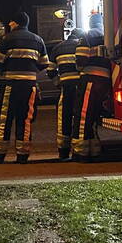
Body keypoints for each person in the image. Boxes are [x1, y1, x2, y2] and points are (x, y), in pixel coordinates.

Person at [0, 11, 49, 164]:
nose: (9, 25)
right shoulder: (38, 40)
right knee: (25, 119)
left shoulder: (7, 39)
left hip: (10, 84)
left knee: (5, 118)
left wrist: (5, 69)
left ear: (15, 23)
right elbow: (43, 64)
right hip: (29, 86)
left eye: (10, 22)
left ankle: (0, 155)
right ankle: (22, 155)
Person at [72, 13, 112, 161]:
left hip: (90, 79)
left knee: (83, 115)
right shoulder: (109, 35)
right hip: (105, 81)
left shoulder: (87, 35)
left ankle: (80, 152)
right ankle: (94, 150)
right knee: (94, 116)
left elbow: (81, 59)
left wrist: (79, 68)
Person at [47, 27, 87, 160]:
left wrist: (58, 82)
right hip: (81, 88)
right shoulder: (82, 46)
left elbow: (51, 70)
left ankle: (63, 152)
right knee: (80, 118)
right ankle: (78, 151)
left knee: (64, 119)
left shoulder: (58, 48)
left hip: (66, 88)